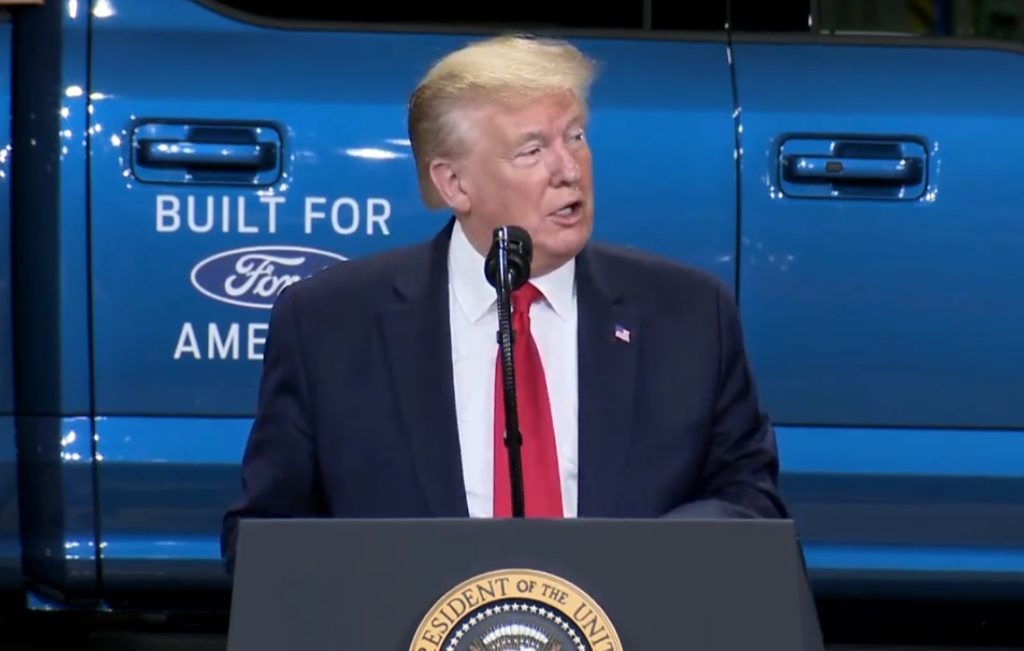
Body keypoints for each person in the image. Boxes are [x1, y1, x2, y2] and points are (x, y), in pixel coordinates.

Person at [220, 33, 787, 572]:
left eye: (577, 136)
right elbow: (265, 536)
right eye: (532, 150)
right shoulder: (330, 326)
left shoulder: (687, 316)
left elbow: (750, 501)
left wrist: (639, 563)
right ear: (455, 185)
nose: (568, 169)